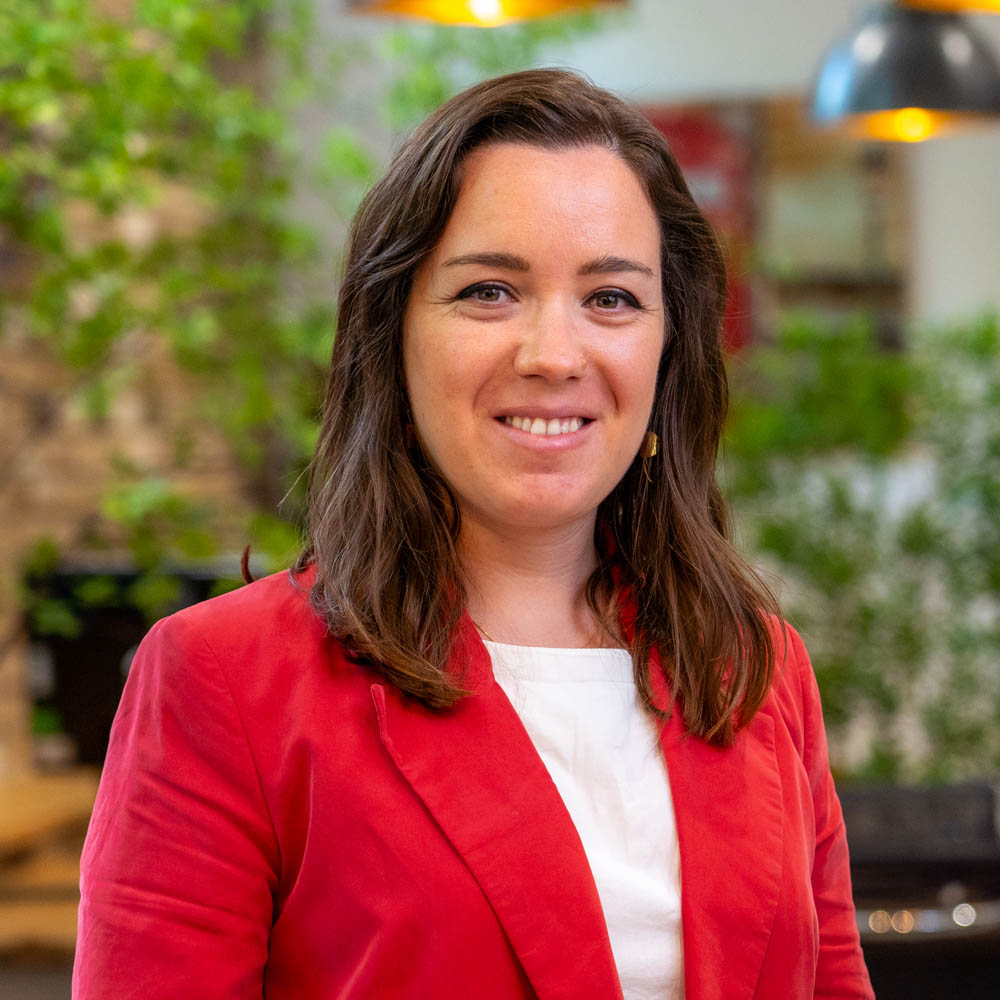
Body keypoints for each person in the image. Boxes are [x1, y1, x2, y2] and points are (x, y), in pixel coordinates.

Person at [73, 69, 873, 999]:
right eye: (490, 291)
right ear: (393, 333)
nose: (554, 355)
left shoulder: (756, 668)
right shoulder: (223, 681)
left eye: (612, 298)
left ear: (668, 347)